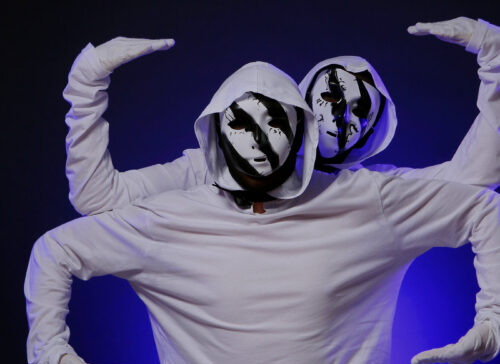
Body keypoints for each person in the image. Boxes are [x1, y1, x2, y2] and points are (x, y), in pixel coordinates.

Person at [26, 57, 500, 364]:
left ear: (301, 131)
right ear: (215, 133)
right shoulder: (169, 218)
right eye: (240, 124)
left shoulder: (365, 200)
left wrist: (493, 319)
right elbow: (57, 249)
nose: (257, 142)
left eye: (274, 123)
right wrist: (50, 353)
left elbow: (481, 206)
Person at [64, 17, 500, 219]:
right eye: (330, 95)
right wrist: (86, 87)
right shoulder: (207, 168)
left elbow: (471, 180)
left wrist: (495, 58)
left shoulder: (369, 192)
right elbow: (98, 201)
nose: (339, 115)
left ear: (373, 132)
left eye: (360, 110)